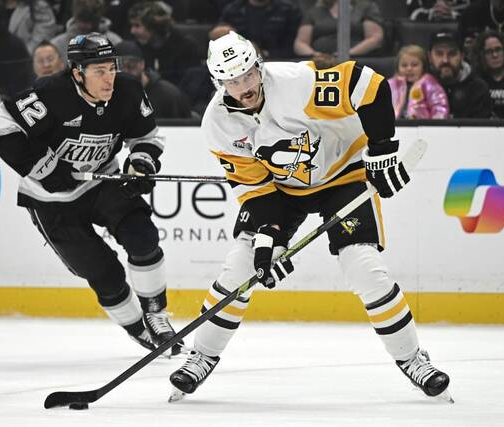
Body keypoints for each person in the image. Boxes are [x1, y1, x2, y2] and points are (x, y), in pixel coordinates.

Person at [168, 31, 452, 403]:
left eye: (248, 74)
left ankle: (413, 359)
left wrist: (382, 150)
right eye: (232, 80)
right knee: (241, 267)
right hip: (282, 191)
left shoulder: (296, 83)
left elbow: (370, 85)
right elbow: (256, 190)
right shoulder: (218, 123)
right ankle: (201, 355)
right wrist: (268, 241)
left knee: (363, 266)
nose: (244, 86)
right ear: (218, 83)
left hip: (344, 176)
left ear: (258, 66)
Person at [0, 33, 183, 355]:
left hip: (102, 180)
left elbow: (146, 137)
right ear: (77, 72)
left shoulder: (128, 90)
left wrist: (140, 162)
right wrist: (44, 169)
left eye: (111, 68)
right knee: (104, 274)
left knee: (143, 238)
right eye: (99, 71)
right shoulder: (50, 94)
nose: (109, 78)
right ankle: (138, 330)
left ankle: (157, 315)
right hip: (51, 201)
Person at [128, 1, 201, 87]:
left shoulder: (186, 47)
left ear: (154, 26)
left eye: (137, 26)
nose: (132, 31)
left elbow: (189, 87)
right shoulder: (138, 47)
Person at [115, 40, 193, 119]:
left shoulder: (169, 96)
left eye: (130, 66)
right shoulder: (109, 96)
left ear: (142, 64)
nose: (125, 72)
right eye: (118, 68)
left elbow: (185, 129)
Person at [428, 31, 492, 118]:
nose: (445, 60)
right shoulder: (420, 86)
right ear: (430, 57)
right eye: (439, 54)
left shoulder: (478, 88)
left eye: (452, 54)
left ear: (462, 56)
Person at [293, 0, 384, 58]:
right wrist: (317, 56)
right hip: (321, 63)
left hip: (357, 61)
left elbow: (375, 38)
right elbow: (300, 43)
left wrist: (348, 54)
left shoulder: (364, 7)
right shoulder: (314, 12)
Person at [213, 0, 301, 59]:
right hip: (240, 62)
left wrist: (263, 54)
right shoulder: (233, 10)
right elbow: (218, 31)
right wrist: (219, 33)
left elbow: (294, 46)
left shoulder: (288, 10)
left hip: (278, 63)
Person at [50, 0, 122, 64]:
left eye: (92, 21)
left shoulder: (115, 43)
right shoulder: (56, 46)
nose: (88, 26)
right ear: (75, 17)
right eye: (83, 21)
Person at [388, 44, 449, 119]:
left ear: (423, 67)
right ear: (398, 68)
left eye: (414, 65)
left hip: (423, 127)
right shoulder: (390, 85)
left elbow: (440, 108)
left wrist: (434, 127)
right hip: (395, 127)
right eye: (404, 65)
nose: (409, 69)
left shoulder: (430, 84)